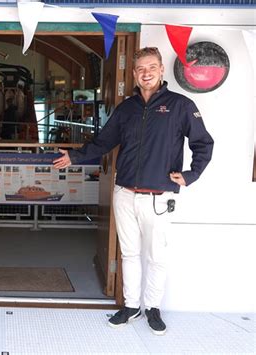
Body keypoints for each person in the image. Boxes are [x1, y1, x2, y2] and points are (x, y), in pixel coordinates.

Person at [53, 47, 213, 336]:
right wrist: (75, 156)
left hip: (159, 197)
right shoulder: (127, 108)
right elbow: (104, 141)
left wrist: (190, 175)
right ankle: (131, 306)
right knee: (129, 254)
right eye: (141, 69)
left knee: (156, 256)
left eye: (152, 67)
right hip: (125, 192)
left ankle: (152, 308)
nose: (146, 73)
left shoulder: (180, 105)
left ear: (161, 70)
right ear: (134, 73)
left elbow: (204, 143)